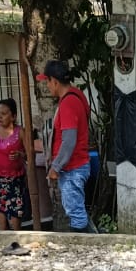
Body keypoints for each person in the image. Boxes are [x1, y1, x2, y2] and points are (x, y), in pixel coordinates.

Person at [36, 59, 97, 233]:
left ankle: (82, 246)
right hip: (77, 165)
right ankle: (91, 242)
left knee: (76, 214)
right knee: (78, 211)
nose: (47, 86)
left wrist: (56, 167)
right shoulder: (77, 95)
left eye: (47, 82)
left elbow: (69, 141)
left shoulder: (68, 103)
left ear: (55, 81)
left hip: (73, 168)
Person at [0, 98, 27, 232]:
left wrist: (20, 154)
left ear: (13, 116)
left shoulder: (20, 132)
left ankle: (17, 238)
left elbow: (29, 155)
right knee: (0, 213)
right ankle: (4, 238)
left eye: (4, 113)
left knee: (15, 215)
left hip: (14, 180)